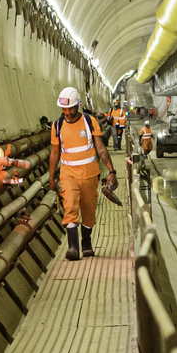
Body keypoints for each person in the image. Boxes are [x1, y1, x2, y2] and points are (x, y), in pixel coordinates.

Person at [49, 86, 116, 260]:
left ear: (78, 104)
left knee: (89, 210)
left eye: (71, 108)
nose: (68, 112)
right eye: (64, 109)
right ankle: (73, 248)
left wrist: (111, 171)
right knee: (70, 206)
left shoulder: (89, 121)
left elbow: (100, 148)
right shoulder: (57, 125)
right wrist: (51, 177)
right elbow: (55, 153)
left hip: (90, 174)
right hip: (68, 174)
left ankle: (86, 243)